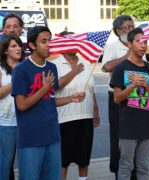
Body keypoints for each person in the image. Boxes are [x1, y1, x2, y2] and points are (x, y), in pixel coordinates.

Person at [11, 26, 86, 179]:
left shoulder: (51, 67)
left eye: (49, 41)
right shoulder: (21, 70)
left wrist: (70, 98)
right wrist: (44, 88)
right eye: (43, 41)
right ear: (32, 45)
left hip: (53, 136)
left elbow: (49, 101)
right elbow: (22, 105)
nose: (48, 45)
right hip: (31, 138)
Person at [110, 28, 149, 180]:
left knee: (144, 167)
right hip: (128, 127)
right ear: (129, 44)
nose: (143, 45)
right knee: (126, 166)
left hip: (147, 127)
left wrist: (147, 85)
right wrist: (132, 86)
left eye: (145, 41)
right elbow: (117, 98)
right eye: (139, 41)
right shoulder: (121, 68)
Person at [51, 31, 100, 180]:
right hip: (64, 118)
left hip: (85, 116)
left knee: (83, 159)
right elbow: (55, 86)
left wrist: (95, 111)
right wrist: (74, 71)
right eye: (70, 40)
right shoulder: (55, 64)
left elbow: (91, 89)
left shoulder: (85, 62)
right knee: (63, 160)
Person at [101, 15, 137, 179]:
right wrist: (128, 55)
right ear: (117, 31)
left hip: (136, 95)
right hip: (118, 97)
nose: (130, 30)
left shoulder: (138, 44)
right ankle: (119, 172)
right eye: (126, 27)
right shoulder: (112, 47)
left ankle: (135, 172)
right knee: (119, 136)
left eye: (132, 26)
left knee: (136, 135)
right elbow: (107, 67)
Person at [0, 34, 25, 180]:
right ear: (5, 51)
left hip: (24, 121)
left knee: (25, 162)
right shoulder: (1, 69)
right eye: (14, 46)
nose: (18, 48)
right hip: (5, 123)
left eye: (19, 45)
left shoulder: (25, 66)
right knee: (6, 161)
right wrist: (15, 80)